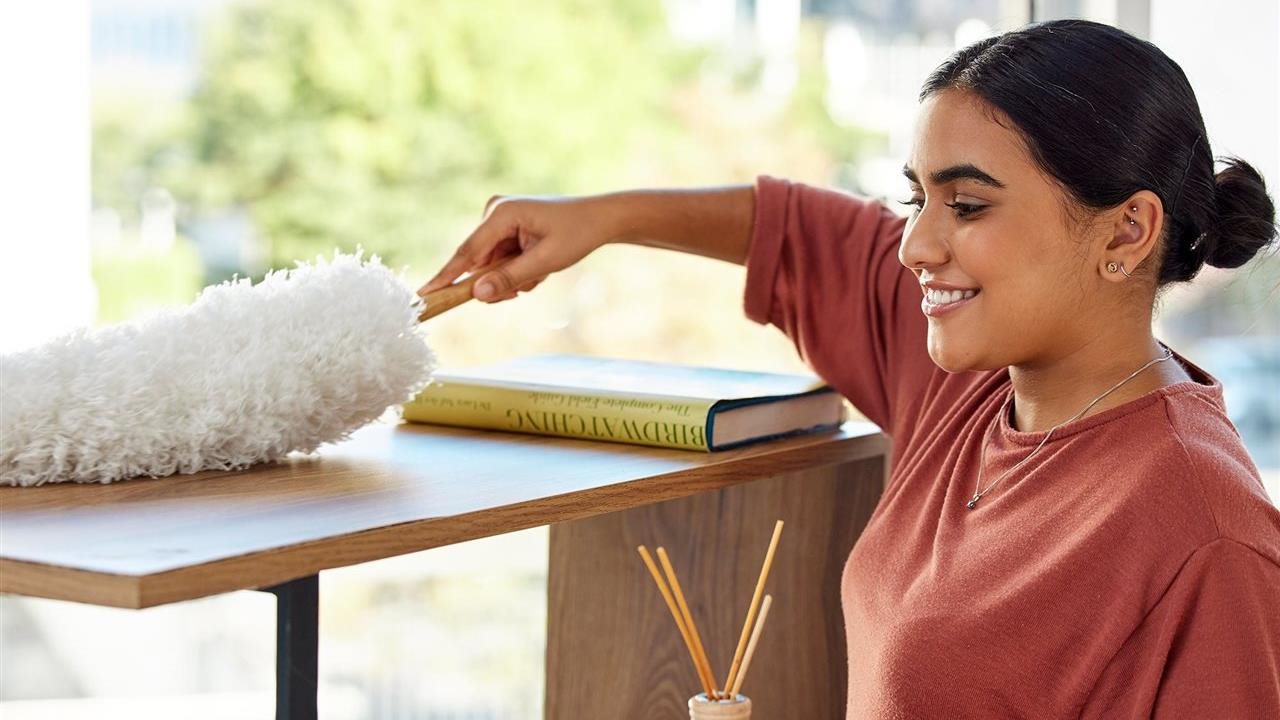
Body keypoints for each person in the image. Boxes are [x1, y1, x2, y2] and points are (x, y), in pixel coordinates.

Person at [420, 20, 1280, 719]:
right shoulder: (969, 381)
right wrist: (600, 219)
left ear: (1126, 233)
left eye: (967, 205)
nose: (916, 244)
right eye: (918, 198)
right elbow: (795, 233)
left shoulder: (1207, 537)